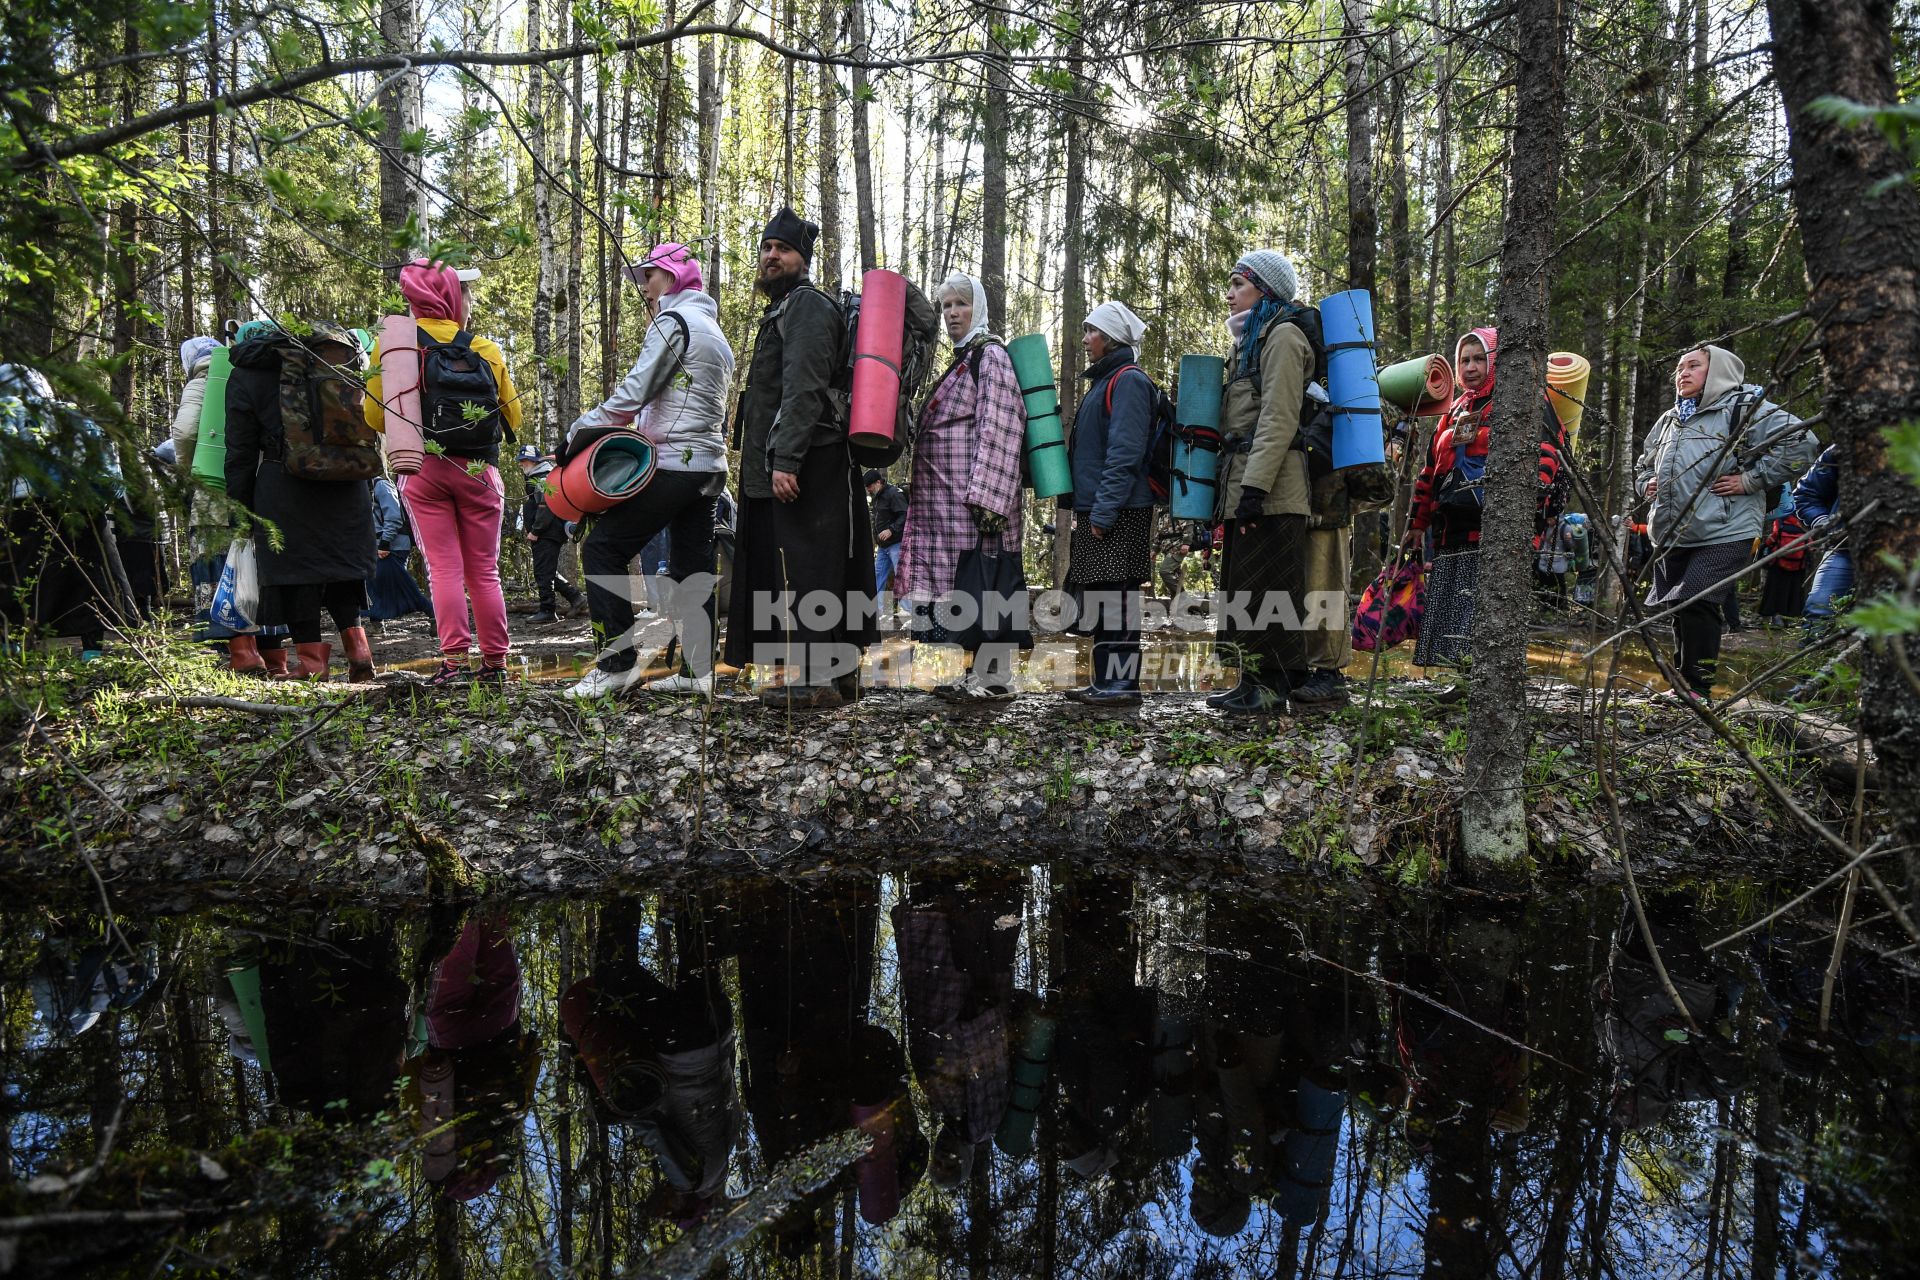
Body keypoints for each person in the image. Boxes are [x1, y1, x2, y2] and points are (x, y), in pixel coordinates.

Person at [722, 208, 878, 709]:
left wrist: (785, 460)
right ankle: (838, 675)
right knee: (819, 565)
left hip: (812, 462)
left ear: (802, 259)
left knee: (809, 568)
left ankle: (817, 682)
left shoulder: (807, 306)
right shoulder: (788, 307)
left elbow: (804, 389)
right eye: (767, 247)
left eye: (782, 249)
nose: (771, 256)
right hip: (806, 460)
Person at [564, 242, 734, 699]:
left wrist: (580, 429)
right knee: (690, 569)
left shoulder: (673, 322)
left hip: (676, 461)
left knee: (602, 549)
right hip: (709, 467)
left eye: (650, 277)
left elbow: (634, 393)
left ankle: (616, 667)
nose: (645, 287)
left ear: (673, 277)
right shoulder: (714, 331)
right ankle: (699, 672)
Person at [366, 258, 522, 687]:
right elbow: (514, 416)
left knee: (444, 568)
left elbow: (375, 416)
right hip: (478, 468)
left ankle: (453, 663)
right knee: (484, 570)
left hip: (423, 470)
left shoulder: (394, 346)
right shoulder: (485, 349)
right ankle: (496, 662)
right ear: (453, 298)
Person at [1635, 345, 1815, 703]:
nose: (1682, 373)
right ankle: (1683, 686)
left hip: (1726, 527)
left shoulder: (1746, 408)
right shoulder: (1671, 418)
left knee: (1698, 600)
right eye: (1679, 367)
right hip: (1672, 530)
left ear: (1718, 371)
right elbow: (1644, 463)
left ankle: (1698, 690)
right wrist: (1645, 484)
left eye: (1693, 366)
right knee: (1678, 604)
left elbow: (1803, 442)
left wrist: (1750, 480)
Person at [1404, 327, 1569, 687]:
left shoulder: (1522, 400)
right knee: (1453, 607)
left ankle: (1487, 688)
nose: (1471, 366)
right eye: (1464, 360)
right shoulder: (1456, 409)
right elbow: (1431, 470)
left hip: (1495, 532)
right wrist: (1418, 524)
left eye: (1480, 358)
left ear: (1497, 361)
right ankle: (1464, 682)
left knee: (1484, 610)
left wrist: (1527, 499)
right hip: (1450, 531)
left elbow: (1547, 454)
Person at [221, 321, 378, 681]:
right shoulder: (338, 361)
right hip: (347, 477)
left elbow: (240, 451)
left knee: (298, 573)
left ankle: (312, 663)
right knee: (342, 566)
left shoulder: (248, 373)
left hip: (285, 480)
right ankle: (358, 650)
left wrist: (239, 507)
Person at [898, 273, 1028, 701]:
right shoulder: (961, 360)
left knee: (984, 584)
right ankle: (954, 675)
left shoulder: (989, 356)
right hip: (942, 510)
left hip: (972, 506)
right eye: (947, 305)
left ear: (979, 308)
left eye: (961, 304)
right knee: (947, 589)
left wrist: (988, 498)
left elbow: (1002, 424)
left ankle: (994, 679)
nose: (953, 313)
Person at [1213, 251, 1316, 715]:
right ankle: (1250, 680)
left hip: (1275, 491)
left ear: (1265, 290)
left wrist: (1254, 488)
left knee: (1270, 588)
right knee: (1244, 588)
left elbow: (1278, 416)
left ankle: (1271, 688)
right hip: (1247, 486)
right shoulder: (1246, 343)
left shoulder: (1283, 336)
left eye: (1238, 283)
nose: (1230, 293)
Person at [1063, 300, 1156, 708]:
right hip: (1102, 507)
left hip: (1121, 510)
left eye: (1092, 332)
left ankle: (1122, 684)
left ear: (1112, 338)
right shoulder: (1105, 380)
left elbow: (1125, 453)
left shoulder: (1129, 380)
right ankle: (1106, 680)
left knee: (1118, 598)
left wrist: (1103, 511)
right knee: (1102, 599)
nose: (1085, 340)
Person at [515, 445, 583, 624]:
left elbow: (546, 508)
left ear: (535, 461)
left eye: (525, 460)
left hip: (546, 532)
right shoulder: (537, 477)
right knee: (547, 570)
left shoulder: (543, 478)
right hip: (547, 532)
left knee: (542, 572)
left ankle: (547, 610)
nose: (521, 464)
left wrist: (536, 531)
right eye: (520, 460)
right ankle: (576, 598)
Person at [366, 472, 433, 627]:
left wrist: (385, 543)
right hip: (374, 546)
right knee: (373, 584)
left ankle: (432, 613)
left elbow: (394, 517)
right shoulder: (363, 488)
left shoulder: (382, 486)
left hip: (392, 546)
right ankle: (377, 623)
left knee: (401, 584)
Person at [1794, 444, 1849, 631]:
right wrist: (1825, 524)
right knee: (1819, 613)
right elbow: (1806, 493)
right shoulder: (1847, 445)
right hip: (1845, 549)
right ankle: (1811, 657)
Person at [1758, 488, 1811, 626]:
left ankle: (1775, 618)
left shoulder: (1781, 519)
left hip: (1779, 562)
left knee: (1775, 590)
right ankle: (1791, 619)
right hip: (1799, 565)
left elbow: (1774, 537)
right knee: (1793, 592)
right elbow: (1810, 543)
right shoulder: (1805, 521)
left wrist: (1765, 545)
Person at [867, 468, 908, 598]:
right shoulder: (877, 498)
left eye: (870, 486)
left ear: (878, 482)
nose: (868, 489)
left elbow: (905, 515)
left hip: (897, 544)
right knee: (877, 576)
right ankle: (874, 611)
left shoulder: (894, 494)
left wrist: (891, 530)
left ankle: (910, 611)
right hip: (883, 547)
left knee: (902, 578)